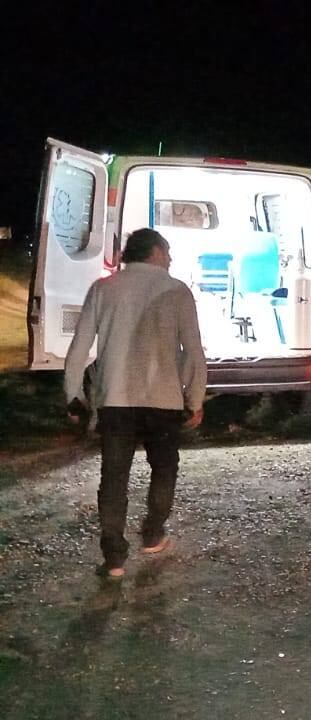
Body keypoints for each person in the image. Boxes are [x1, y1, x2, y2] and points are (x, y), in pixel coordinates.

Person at [65, 228, 207, 579]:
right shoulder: (177, 291)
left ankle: (114, 558)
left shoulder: (103, 289)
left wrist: (73, 396)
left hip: (115, 400)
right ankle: (153, 535)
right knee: (164, 469)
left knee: (113, 478)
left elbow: (79, 348)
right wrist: (195, 399)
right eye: (168, 251)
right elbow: (193, 352)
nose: (171, 259)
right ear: (155, 252)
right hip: (164, 401)